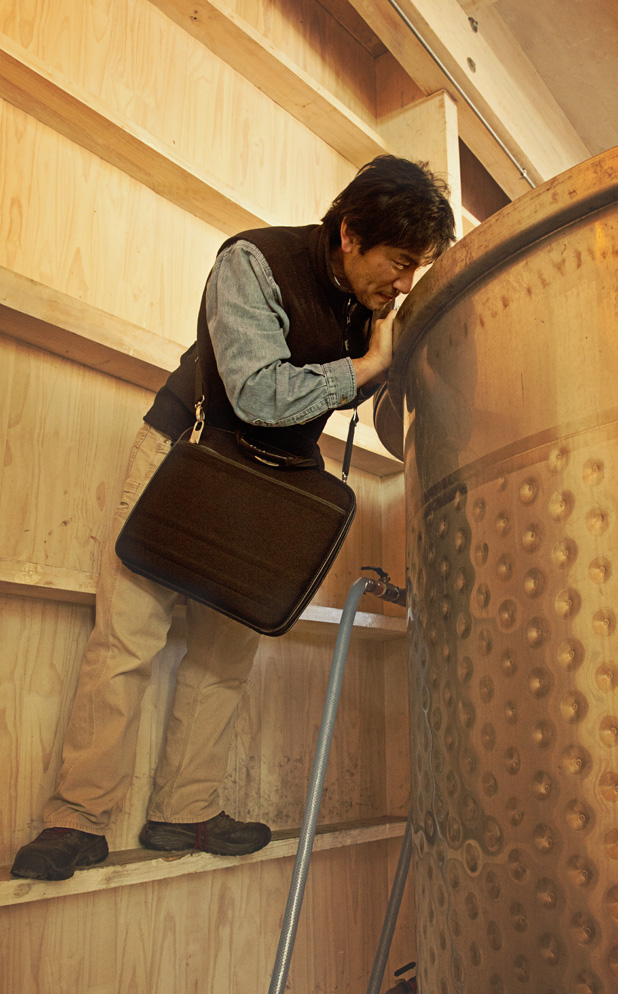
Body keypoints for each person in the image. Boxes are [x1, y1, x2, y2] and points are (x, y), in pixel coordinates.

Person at [11, 155, 456, 881]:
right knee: (127, 642)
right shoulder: (252, 261)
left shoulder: (373, 309)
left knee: (224, 658)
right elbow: (255, 392)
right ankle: (75, 821)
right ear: (349, 234)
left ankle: (180, 812)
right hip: (186, 453)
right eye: (399, 263)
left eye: (417, 268)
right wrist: (369, 366)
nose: (404, 283)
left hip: (268, 485)